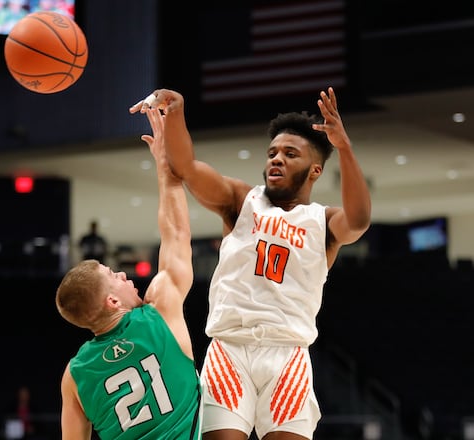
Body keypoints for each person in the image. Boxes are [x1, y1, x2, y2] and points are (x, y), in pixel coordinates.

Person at [130, 86, 371, 440]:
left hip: (287, 353)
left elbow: (360, 219)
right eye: (273, 152)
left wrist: (345, 147)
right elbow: (185, 168)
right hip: (230, 346)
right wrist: (178, 109)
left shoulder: (324, 222)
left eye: (290, 154)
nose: (277, 159)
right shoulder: (242, 200)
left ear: (315, 170)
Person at [55, 106, 202, 440]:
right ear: (111, 301)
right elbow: (177, 234)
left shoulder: (74, 376)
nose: (123, 276)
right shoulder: (159, 312)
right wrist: (166, 167)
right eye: (114, 276)